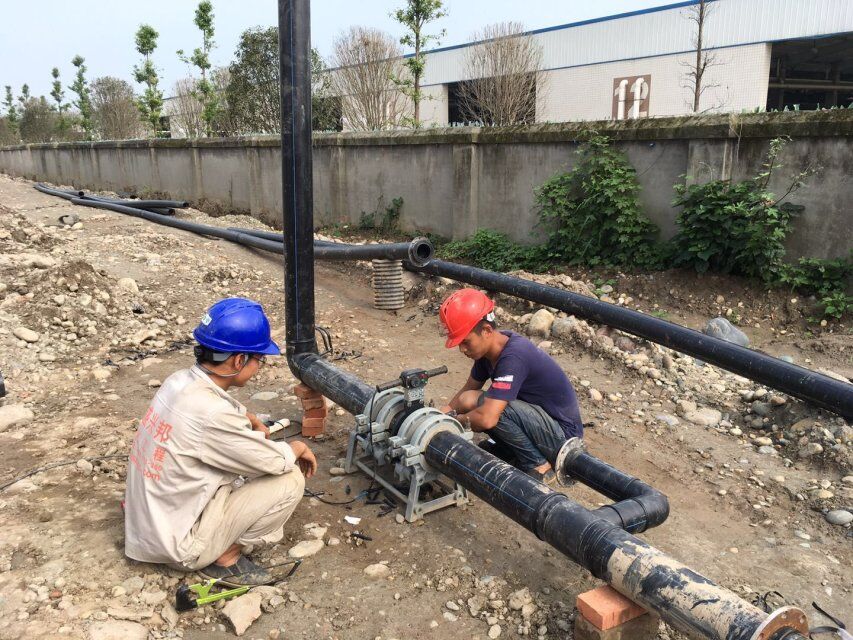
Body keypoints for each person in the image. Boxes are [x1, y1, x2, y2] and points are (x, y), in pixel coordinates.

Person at [124, 298, 317, 586]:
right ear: (239, 360)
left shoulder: (178, 381)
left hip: (149, 525)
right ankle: (225, 557)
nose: (259, 366)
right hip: (178, 546)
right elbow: (274, 462)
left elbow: (211, 415)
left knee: (243, 469)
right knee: (289, 479)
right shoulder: (213, 415)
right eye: (259, 359)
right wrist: (297, 447)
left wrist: (247, 417)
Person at [439, 289, 583, 485]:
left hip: (562, 438)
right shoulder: (489, 350)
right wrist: (441, 415)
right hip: (538, 422)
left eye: (465, 342)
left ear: (486, 331)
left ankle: (539, 464)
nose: (462, 349)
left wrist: (455, 422)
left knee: (488, 410)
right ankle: (510, 451)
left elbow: (487, 419)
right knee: (470, 400)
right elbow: (467, 390)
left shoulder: (514, 357)